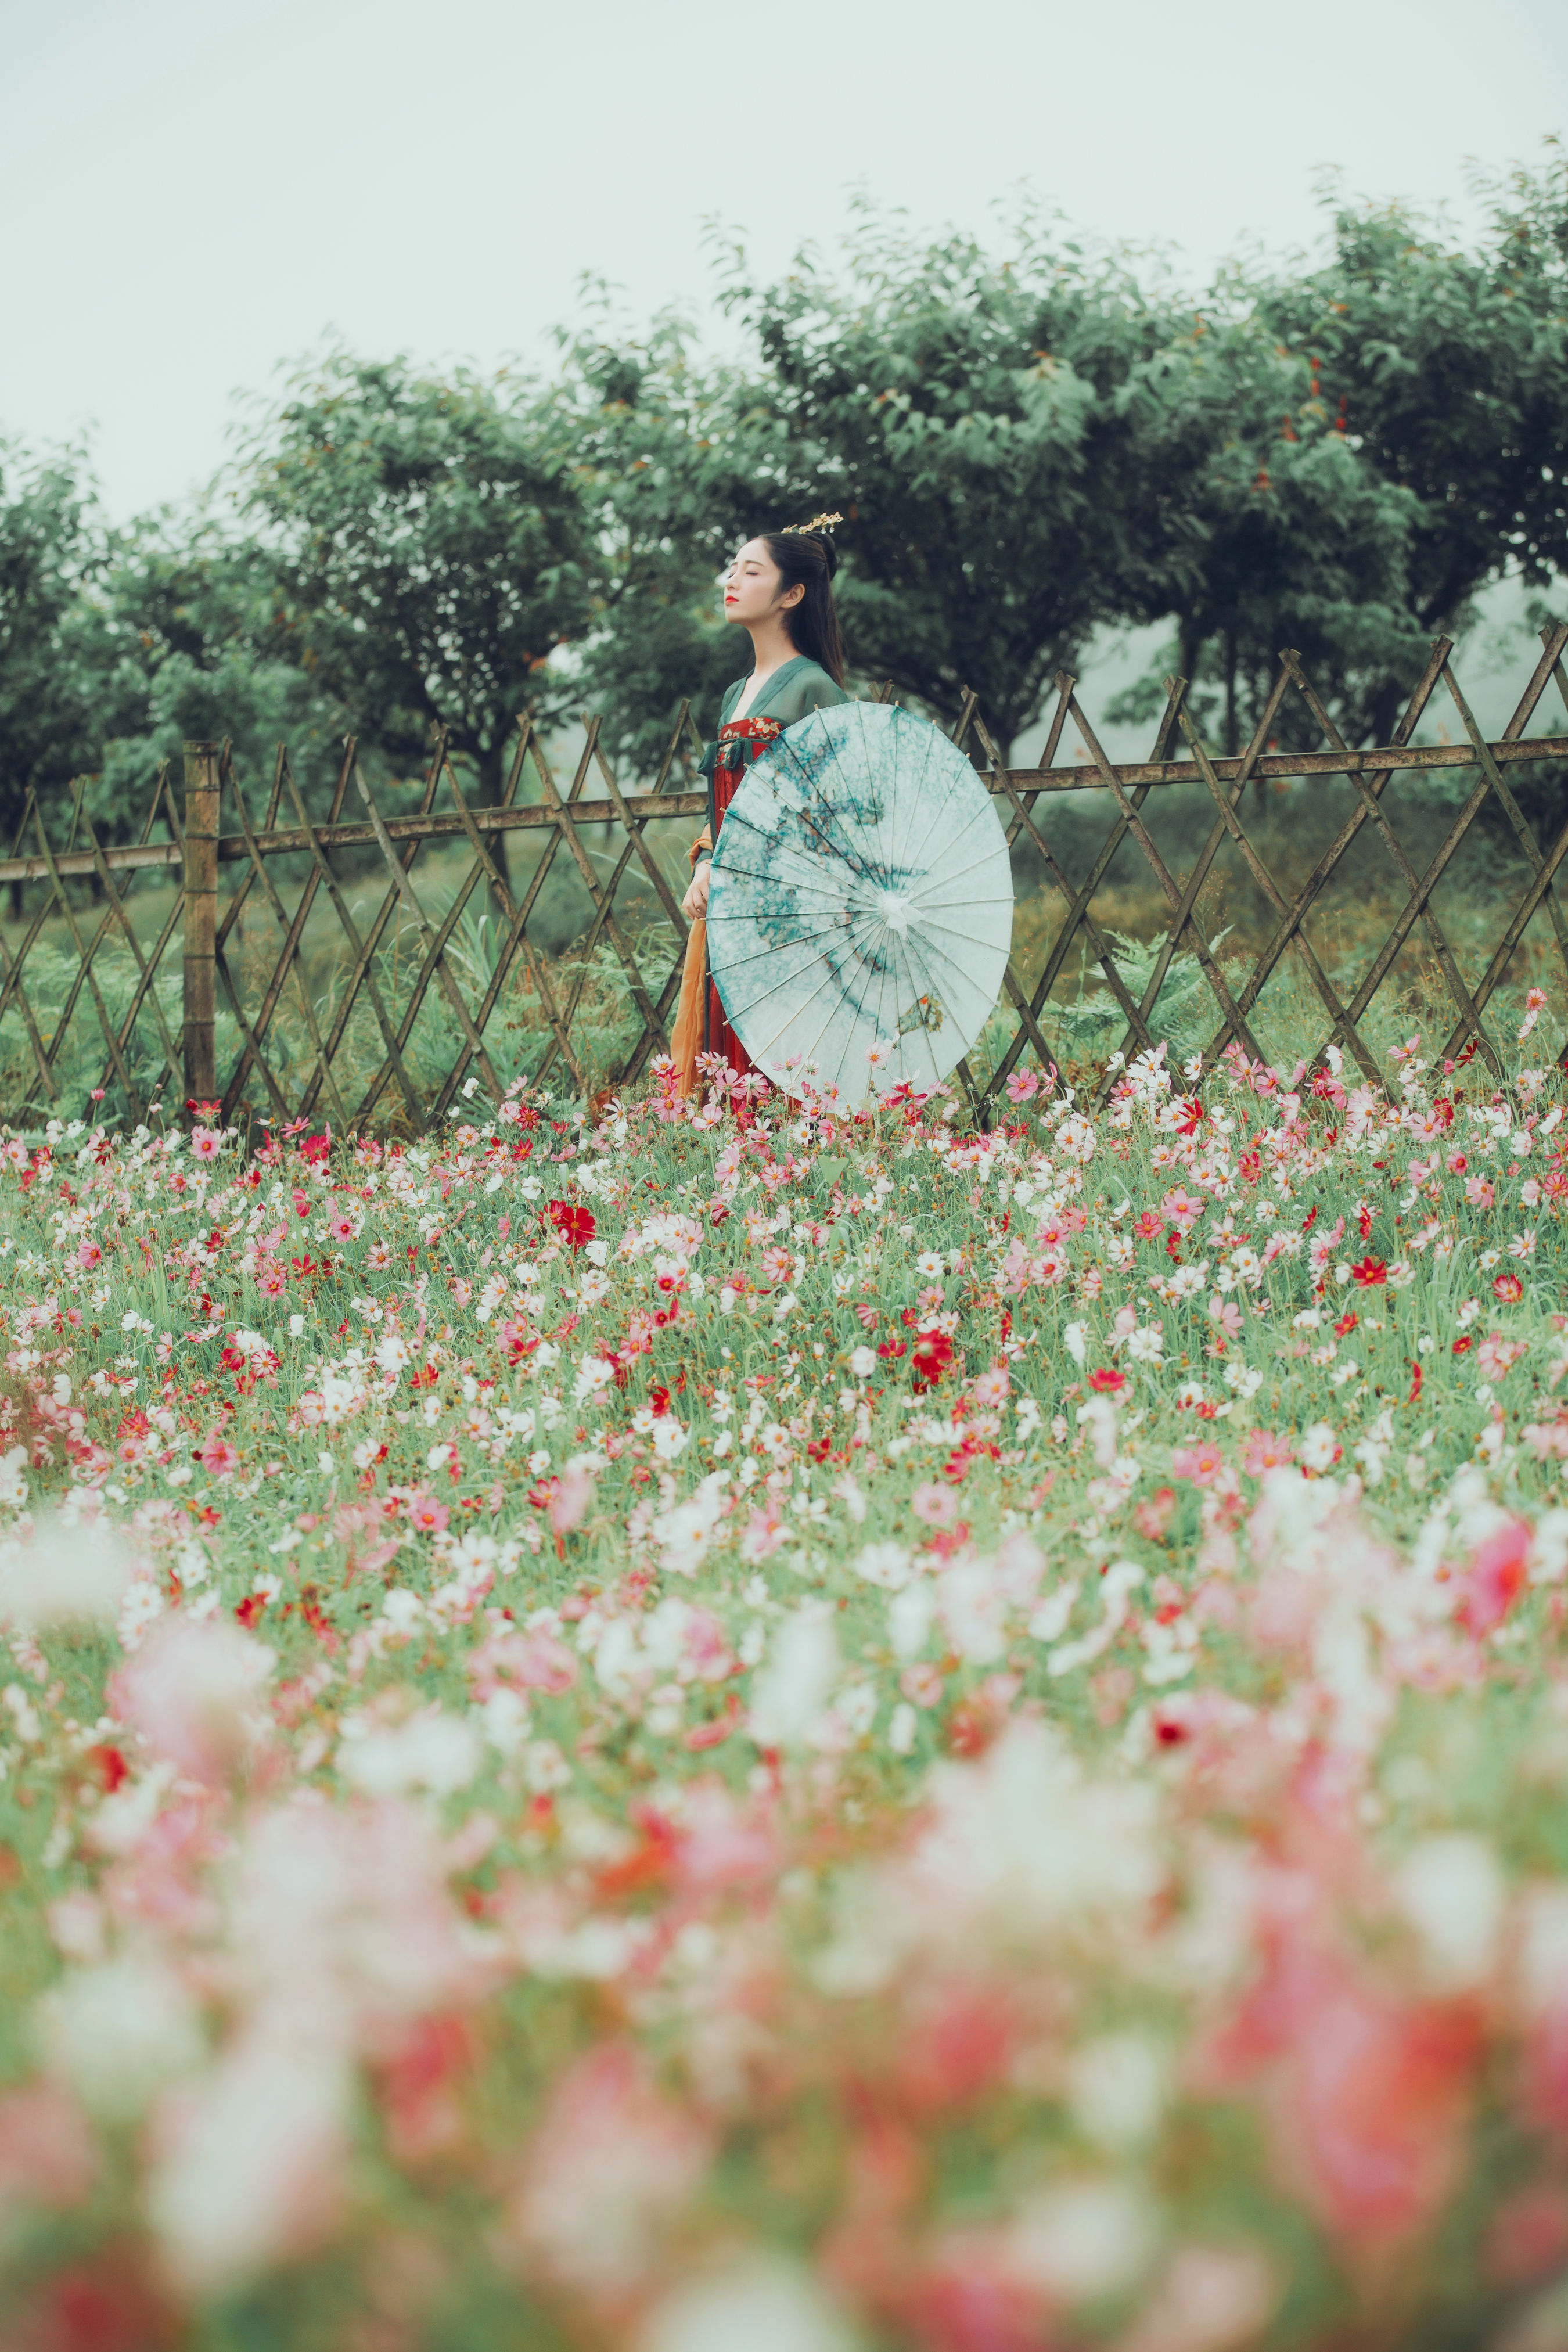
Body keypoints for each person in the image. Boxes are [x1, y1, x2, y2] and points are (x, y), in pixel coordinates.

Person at [669, 517, 851, 1098]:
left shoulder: (813, 688)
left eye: (752, 572)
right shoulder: (735, 692)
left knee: (784, 1057)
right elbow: (724, 805)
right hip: (730, 901)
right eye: (733, 569)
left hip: (788, 903)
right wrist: (705, 862)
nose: (733, 580)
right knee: (728, 1061)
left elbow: (836, 809)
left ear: (792, 594)